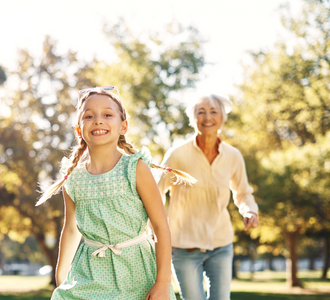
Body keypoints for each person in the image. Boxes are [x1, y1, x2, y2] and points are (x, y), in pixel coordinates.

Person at [36, 86, 195, 300]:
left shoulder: (135, 168)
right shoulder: (73, 178)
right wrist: (61, 279)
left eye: (107, 115)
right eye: (89, 116)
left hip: (137, 273)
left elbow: (160, 226)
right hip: (90, 274)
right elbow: (71, 229)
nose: (98, 120)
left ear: (123, 126)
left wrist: (163, 282)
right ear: (78, 129)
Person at [157, 94, 259, 300]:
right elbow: (156, 191)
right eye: (200, 112)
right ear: (192, 118)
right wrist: (154, 228)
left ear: (222, 118)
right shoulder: (177, 154)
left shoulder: (232, 156)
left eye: (213, 111)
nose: (207, 117)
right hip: (184, 245)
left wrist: (249, 210)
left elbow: (242, 192)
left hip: (221, 243)